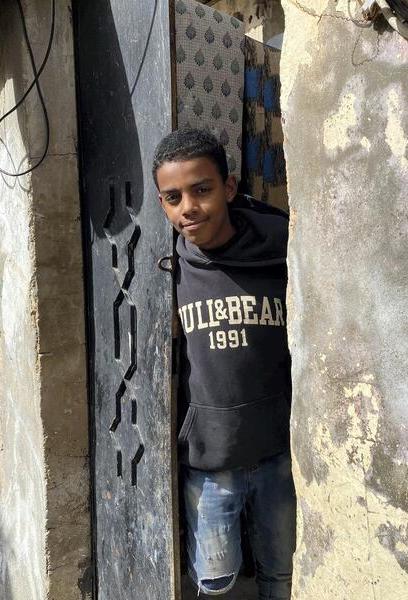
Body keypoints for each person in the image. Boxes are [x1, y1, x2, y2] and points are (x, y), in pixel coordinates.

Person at [152, 128, 296, 599]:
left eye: (202, 189)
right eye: (173, 198)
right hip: (211, 461)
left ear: (229, 188)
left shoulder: (282, 252)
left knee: (283, 570)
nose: (188, 207)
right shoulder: (169, 266)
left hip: (278, 451)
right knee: (215, 580)